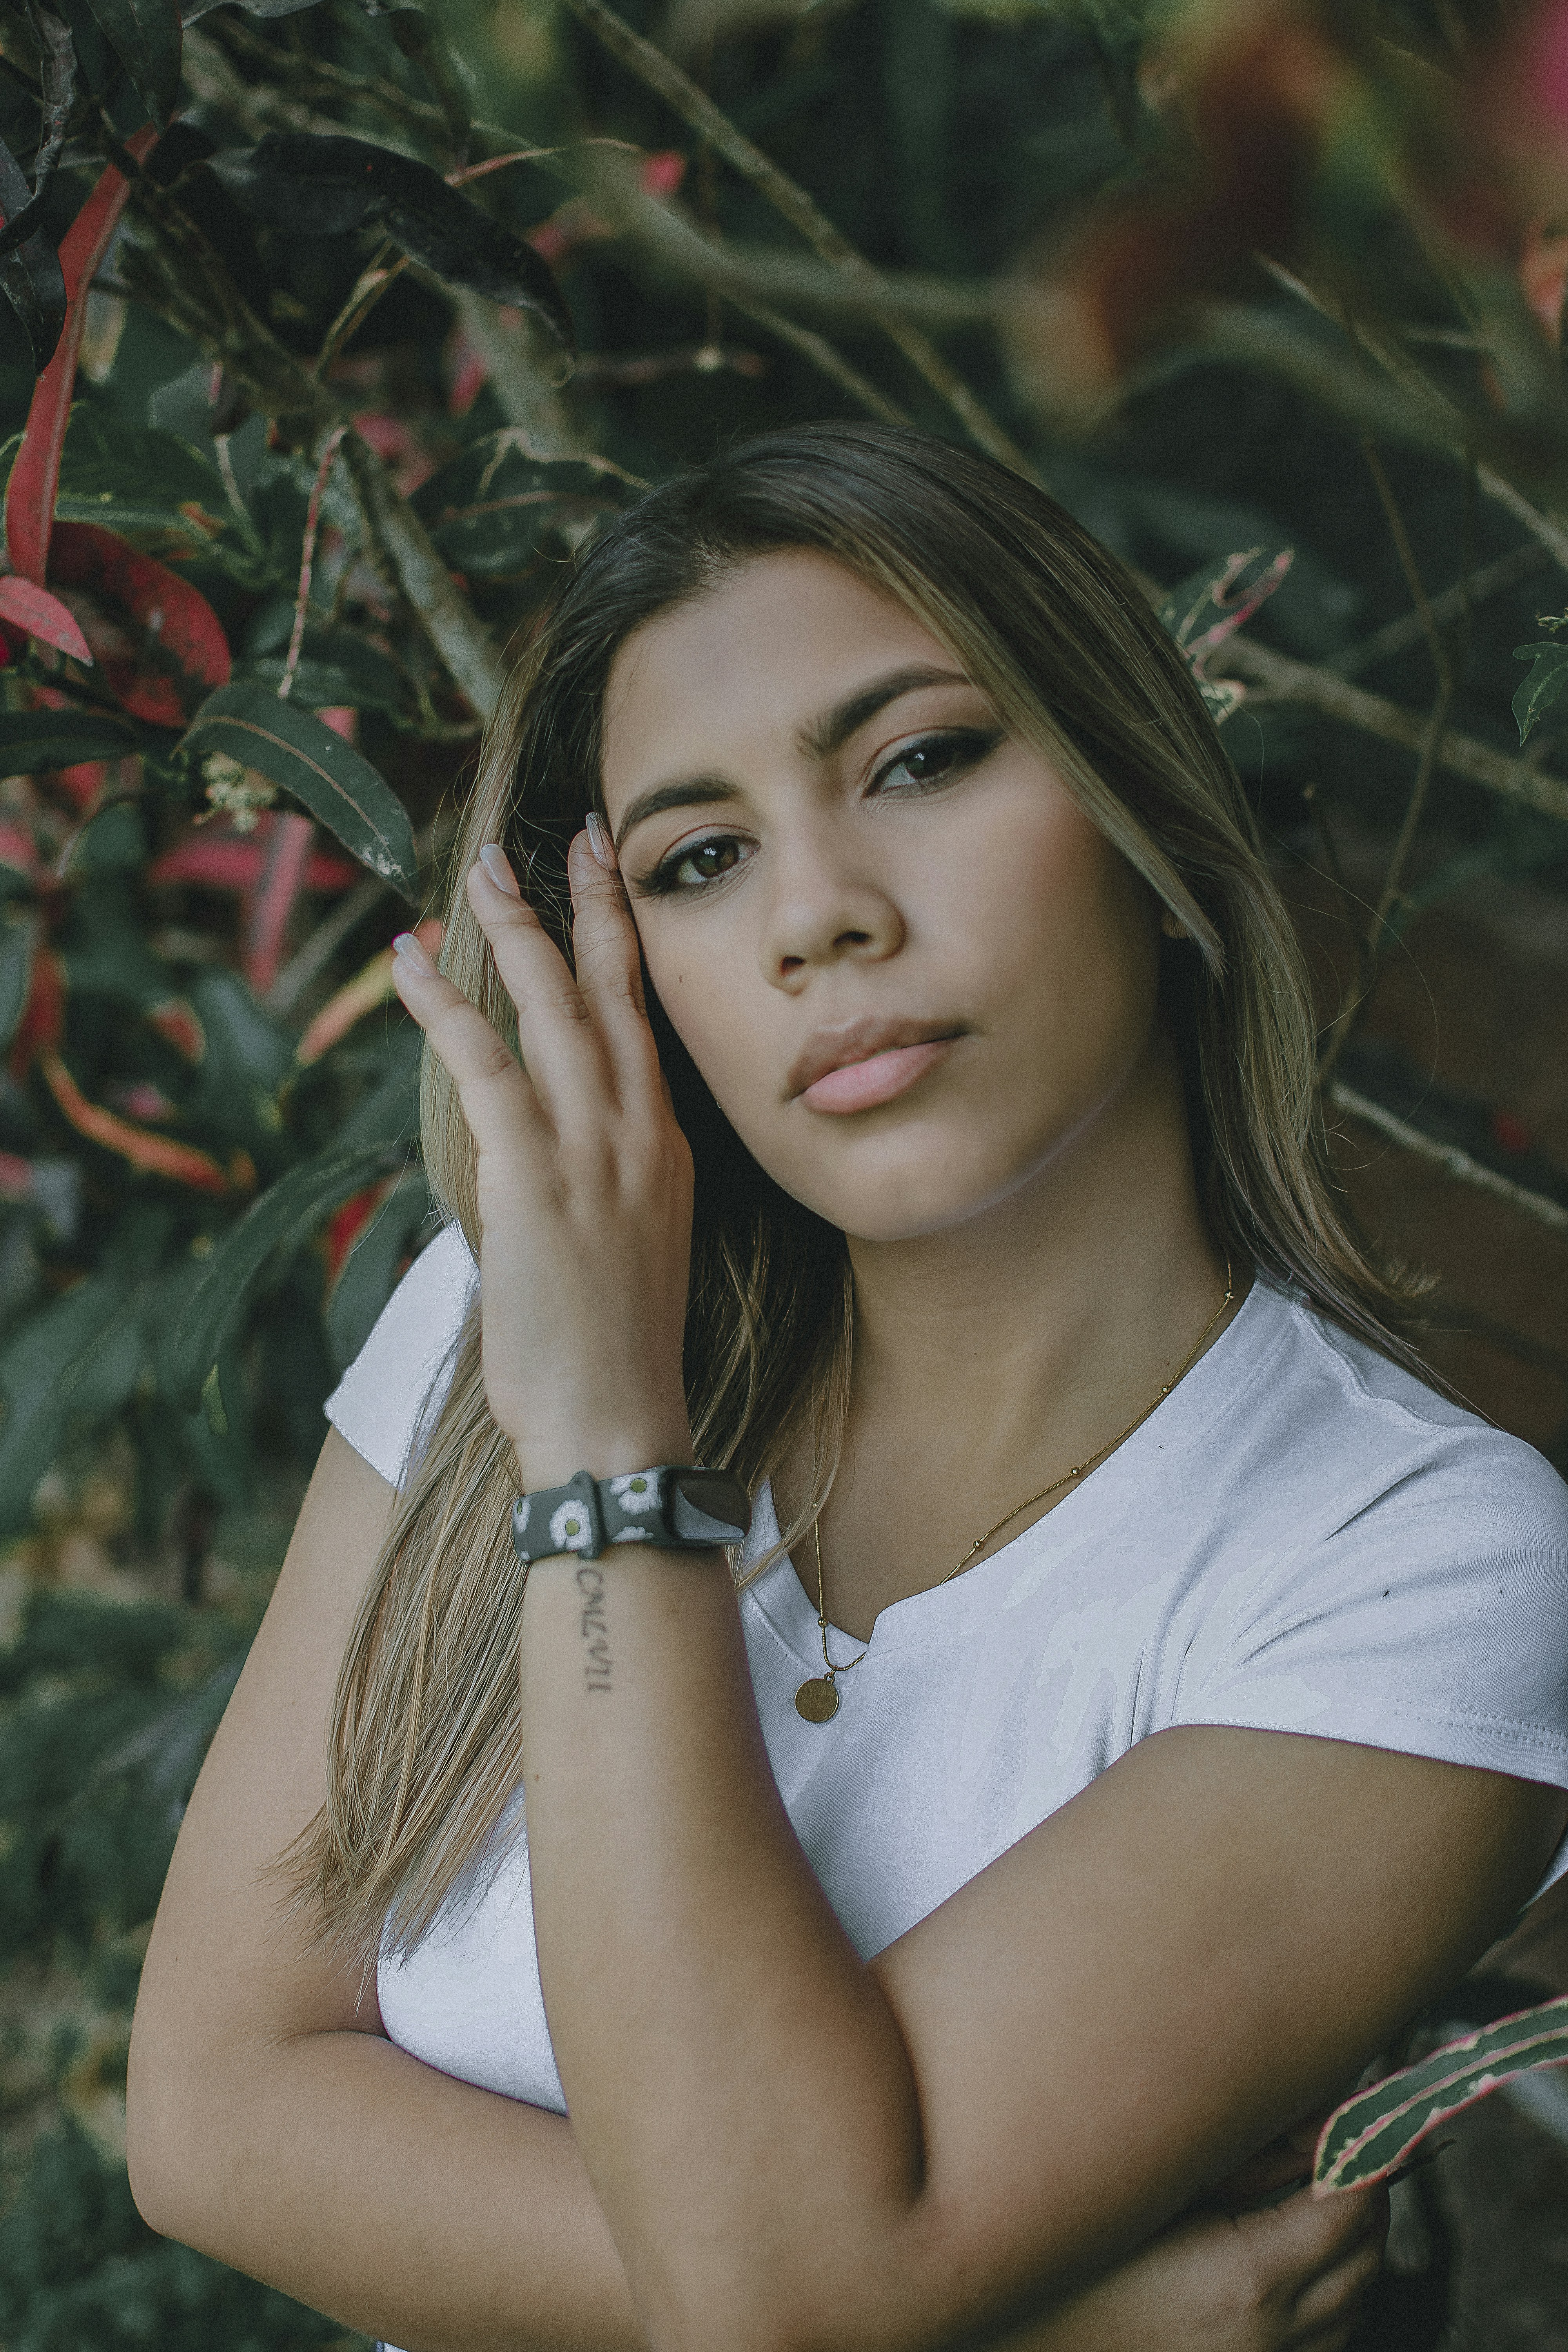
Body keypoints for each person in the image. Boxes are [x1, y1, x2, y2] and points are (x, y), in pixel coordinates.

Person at [126, 423, 1568, 2352]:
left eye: (919, 760)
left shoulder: (1415, 1563)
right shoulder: (519, 1317)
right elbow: (212, 2119)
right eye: (701, 860)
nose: (817, 915)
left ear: (1142, 819)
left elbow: (781, 2290)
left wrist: (610, 1478)